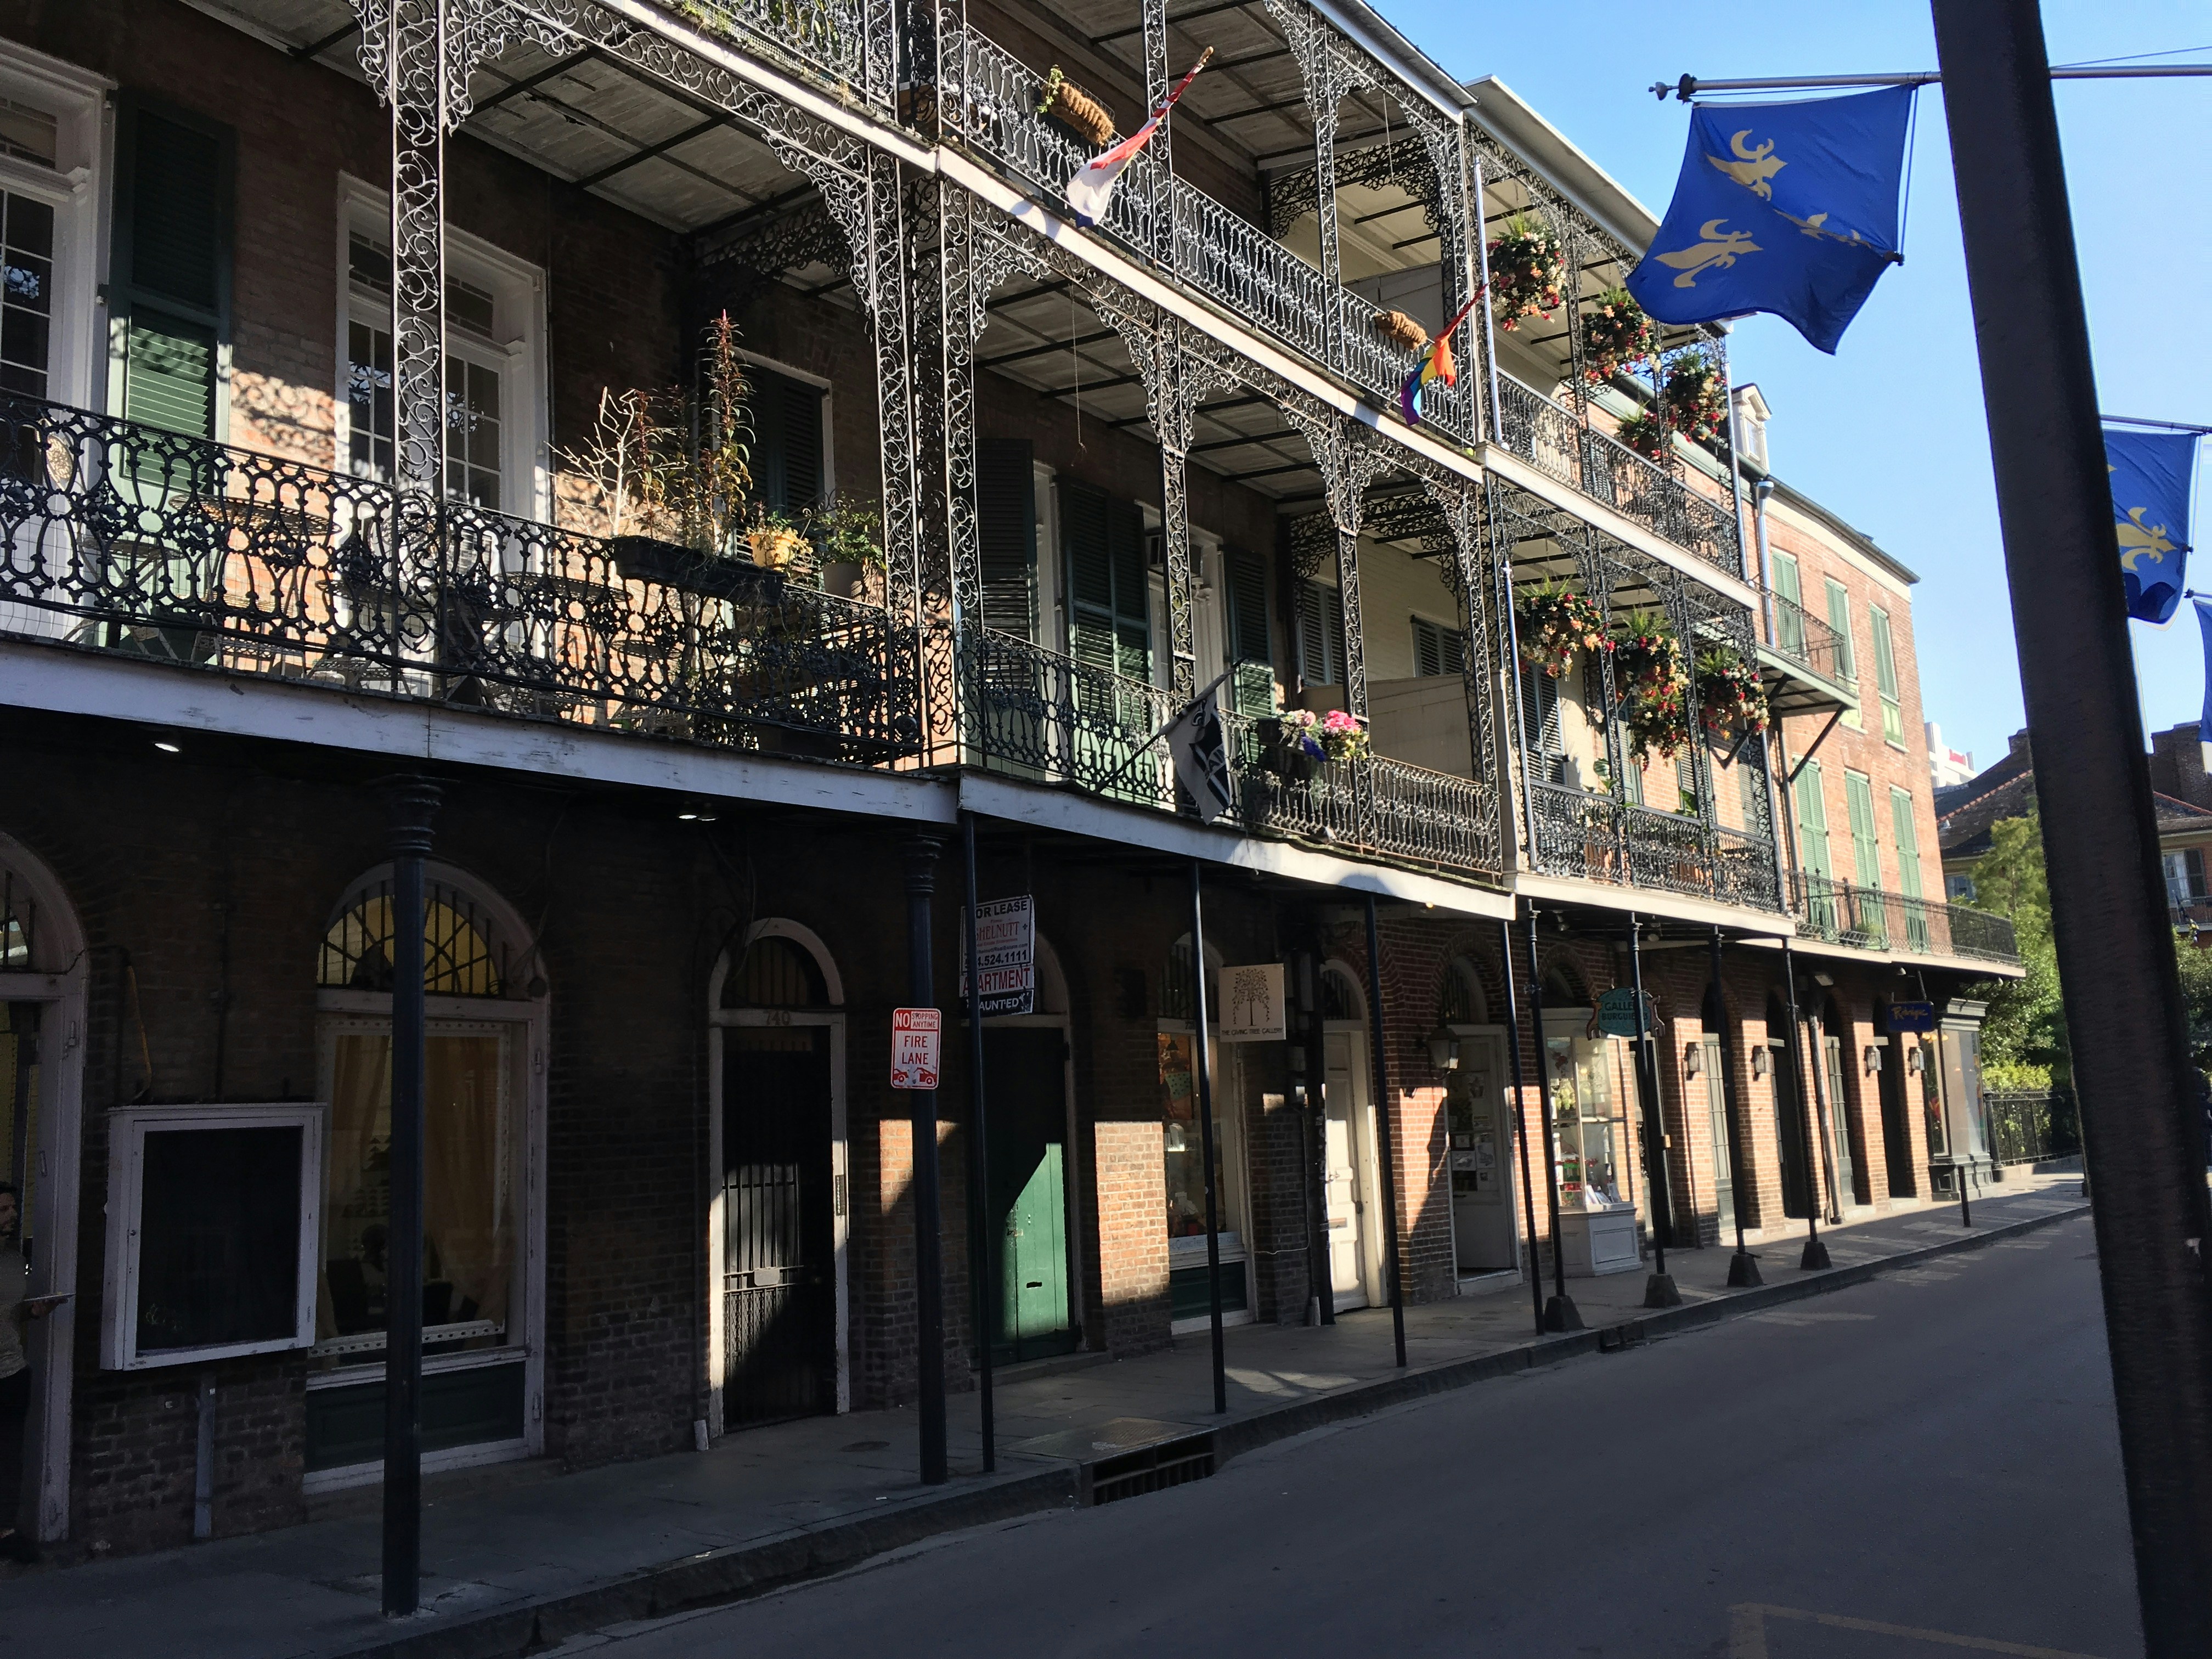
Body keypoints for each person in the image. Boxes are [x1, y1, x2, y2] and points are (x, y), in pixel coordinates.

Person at [0, 1182, 59, 1565]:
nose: (12, 1215)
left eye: (13, 1208)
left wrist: (32, 1312)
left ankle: (5, 1531)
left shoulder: (10, 1258)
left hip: (11, 1371)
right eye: (3, 1210)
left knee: (8, 1456)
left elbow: (9, 1313)